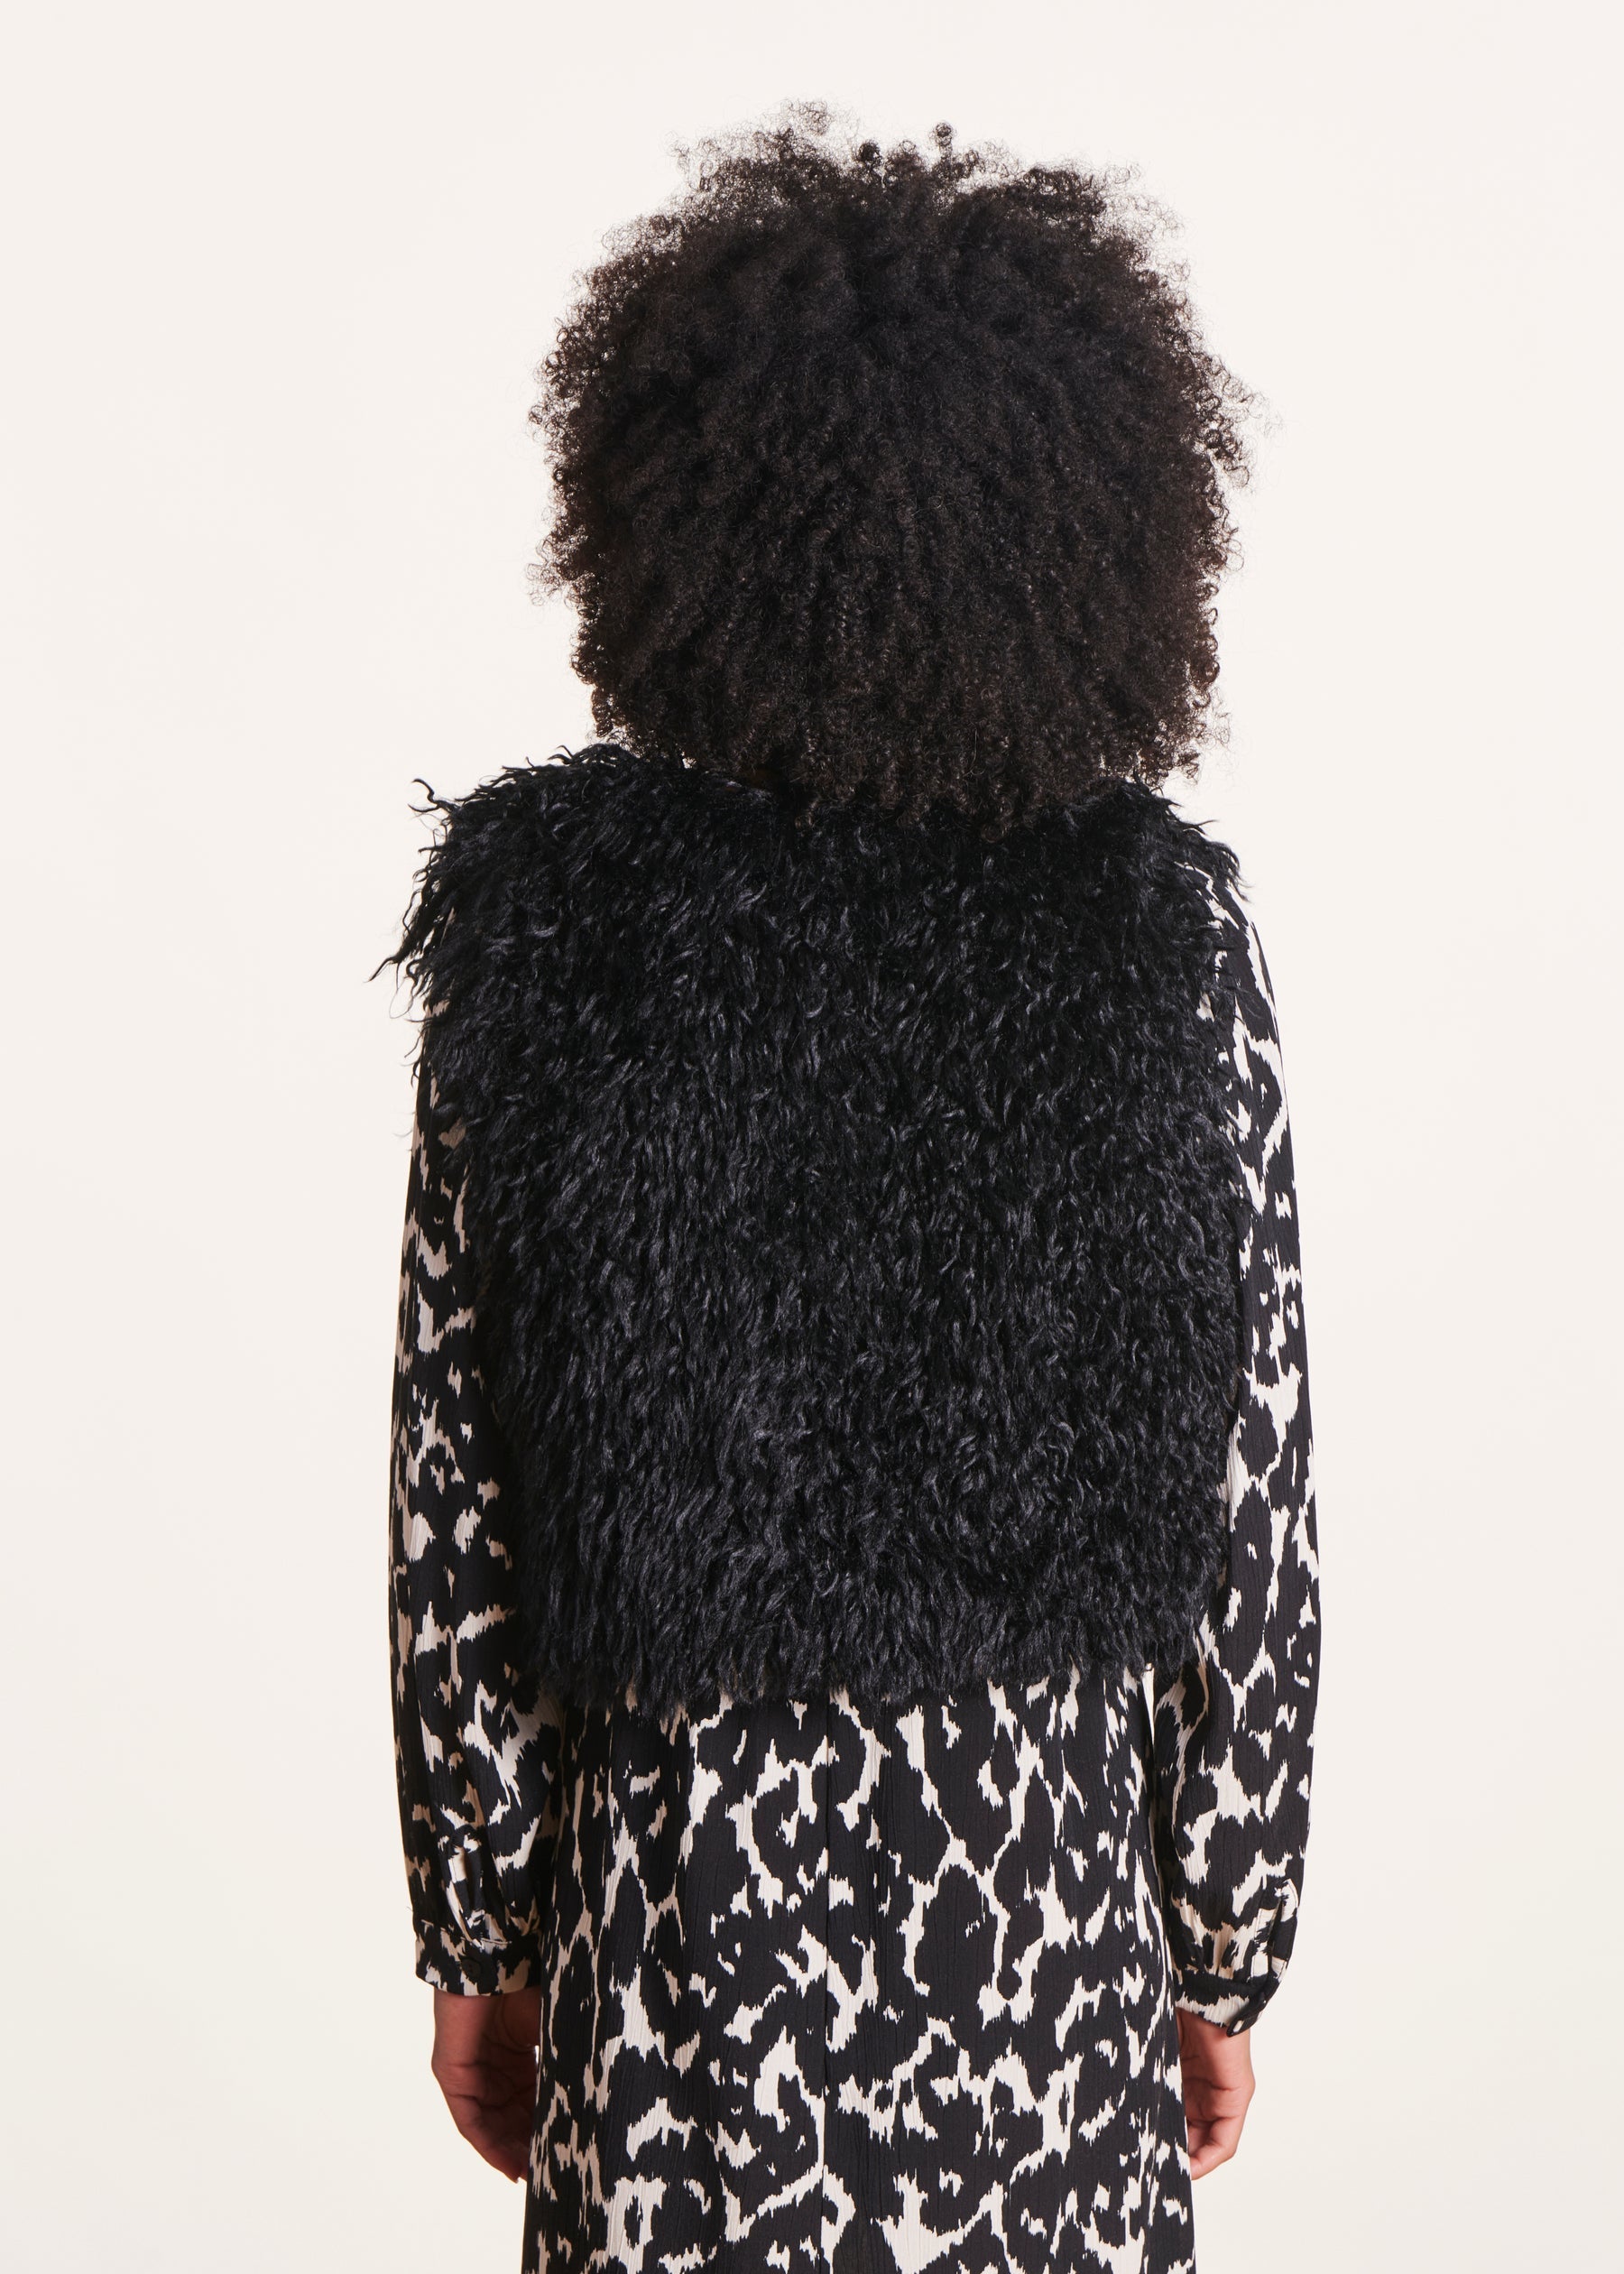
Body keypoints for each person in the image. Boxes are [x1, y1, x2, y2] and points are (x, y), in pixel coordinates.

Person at [386, 106, 1319, 2274]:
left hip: (674, 1965)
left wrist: (484, 1928)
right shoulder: (1156, 947)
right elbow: (1250, 1510)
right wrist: (1219, 1942)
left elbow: (459, 1506)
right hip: (1049, 1955)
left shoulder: (553, 936)